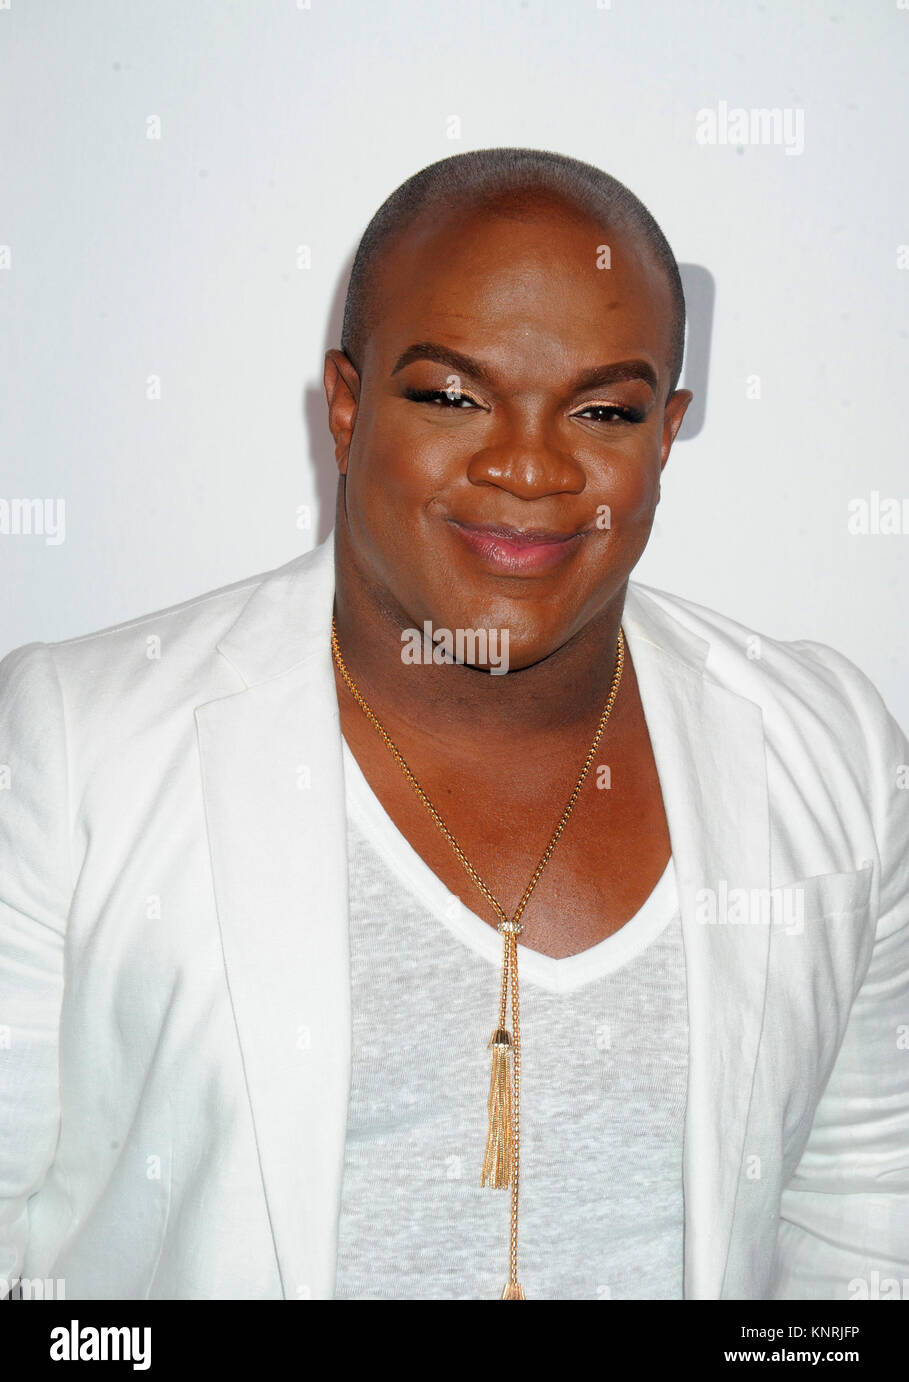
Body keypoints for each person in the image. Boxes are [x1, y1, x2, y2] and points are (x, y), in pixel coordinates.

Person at [1, 147, 907, 1302]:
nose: (528, 466)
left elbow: (866, 1223)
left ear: (665, 434)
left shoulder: (828, 750)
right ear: (347, 406)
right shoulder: (79, 742)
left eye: (603, 409)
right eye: (450, 396)